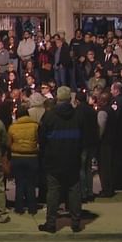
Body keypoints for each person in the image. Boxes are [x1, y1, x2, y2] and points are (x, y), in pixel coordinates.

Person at [38, 87, 84, 233]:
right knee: (74, 190)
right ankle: (76, 222)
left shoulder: (49, 116)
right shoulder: (77, 116)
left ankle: (51, 223)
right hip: (72, 158)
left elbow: (42, 138)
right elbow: (83, 137)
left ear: (57, 98)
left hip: (54, 159)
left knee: (53, 192)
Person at [8, 107, 39, 215]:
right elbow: (39, 140)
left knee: (19, 183)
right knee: (31, 183)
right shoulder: (35, 126)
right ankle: (32, 208)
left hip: (17, 156)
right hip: (32, 156)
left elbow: (8, 143)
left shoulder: (13, 127)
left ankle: (19, 207)